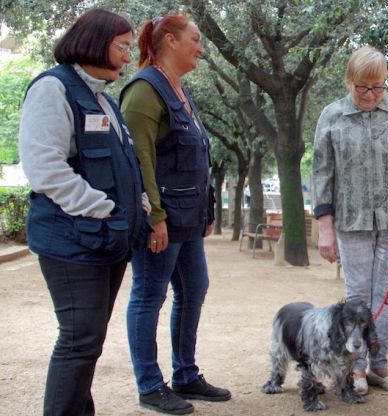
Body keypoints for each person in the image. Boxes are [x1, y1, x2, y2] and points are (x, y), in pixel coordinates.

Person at [18, 9, 150, 416]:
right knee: (79, 339)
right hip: (71, 239)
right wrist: (106, 210)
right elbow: (46, 169)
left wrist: (139, 204)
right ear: (95, 41)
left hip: (106, 238)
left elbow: (126, 166)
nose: (128, 57)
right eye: (123, 46)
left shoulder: (102, 98)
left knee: (89, 340)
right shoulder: (52, 88)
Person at [120, 15, 229, 415]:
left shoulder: (180, 91)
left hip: (188, 220)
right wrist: (155, 217)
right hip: (162, 221)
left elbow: (197, 156)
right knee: (149, 296)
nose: (201, 48)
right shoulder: (145, 90)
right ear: (170, 40)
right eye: (195, 39)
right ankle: (150, 385)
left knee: (194, 289)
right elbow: (138, 159)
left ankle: (186, 375)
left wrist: (207, 209)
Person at [312, 45, 388, 395]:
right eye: (362, 87)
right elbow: (322, 172)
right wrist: (324, 225)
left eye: (378, 87)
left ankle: (379, 363)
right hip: (351, 221)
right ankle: (356, 366)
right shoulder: (331, 116)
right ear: (349, 81)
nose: (370, 95)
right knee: (357, 297)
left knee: (386, 294)